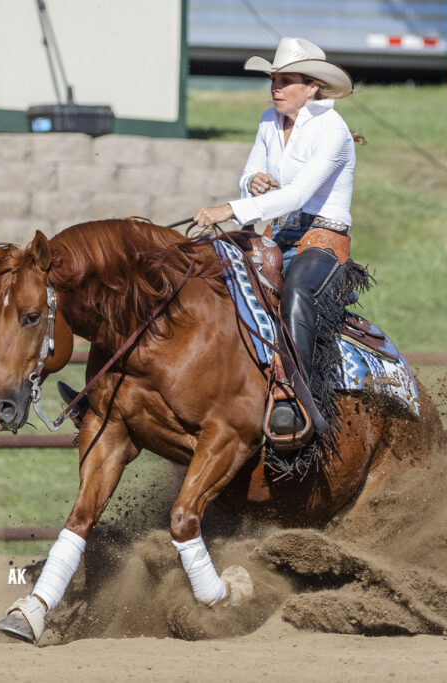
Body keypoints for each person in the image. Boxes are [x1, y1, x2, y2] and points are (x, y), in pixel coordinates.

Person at [194, 37, 357, 436]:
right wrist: (254, 181)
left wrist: (231, 209)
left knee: (297, 290)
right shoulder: (269, 121)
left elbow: (300, 194)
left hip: (323, 239)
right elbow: (249, 172)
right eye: (273, 79)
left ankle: (294, 396)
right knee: (206, 269)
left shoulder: (332, 129)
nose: (275, 87)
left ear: (312, 87)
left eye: (286, 80)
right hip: (280, 235)